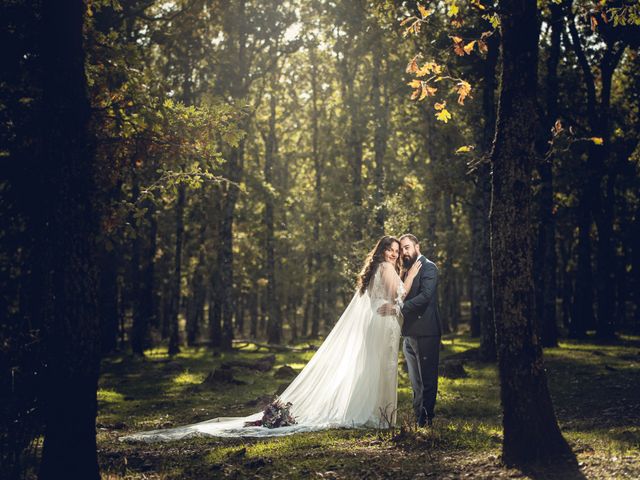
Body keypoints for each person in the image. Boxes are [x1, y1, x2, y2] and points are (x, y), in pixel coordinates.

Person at [120, 235, 421, 442]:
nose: (393, 253)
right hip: (381, 326)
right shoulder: (385, 269)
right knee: (377, 370)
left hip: (380, 324)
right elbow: (402, 294)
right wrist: (412, 272)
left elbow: (389, 300)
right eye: (390, 249)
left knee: (374, 369)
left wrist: (394, 301)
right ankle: (376, 416)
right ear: (381, 250)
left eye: (396, 250)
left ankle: (379, 415)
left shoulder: (376, 270)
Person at [378, 233, 441, 427]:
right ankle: (418, 417)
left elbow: (426, 296)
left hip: (426, 332)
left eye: (406, 247)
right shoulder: (407, 269)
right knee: (415, 381)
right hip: (409, 333)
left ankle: (426, 421)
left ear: (417, 247)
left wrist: (398, 308)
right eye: (400, 249)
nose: (403, 252)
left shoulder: (429, 267)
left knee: (427, 379)